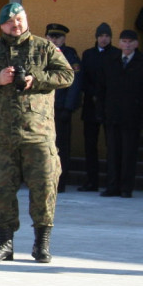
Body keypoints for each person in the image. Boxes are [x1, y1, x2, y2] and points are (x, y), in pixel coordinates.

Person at [0, 2, 73, 263]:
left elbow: (67, 75)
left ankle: (41, 243)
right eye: (10, 21)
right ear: (1, 26)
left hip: (38, 134)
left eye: (20, 19)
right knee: (1, 189)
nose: (16, 25)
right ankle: (4, 243)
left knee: (44, 188)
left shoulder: (44, 47)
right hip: (1, 136)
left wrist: (38, 78)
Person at [97, 29, 143, 199]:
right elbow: (102, 89)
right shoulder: (111, 61)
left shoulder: (140, 62)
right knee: (113, 153)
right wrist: (101, 111)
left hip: (133, 116)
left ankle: (126, 188)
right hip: (112, 115)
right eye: (124, 41)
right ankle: (112, 186)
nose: (127, 44)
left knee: (129, 154)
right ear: (119, 43)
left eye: (131, 41)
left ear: (136, 44)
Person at [45, 23, 81, 192]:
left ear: (64, 39)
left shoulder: (69, 55)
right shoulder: (41, 54)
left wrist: (68, 108)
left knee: (61, 147)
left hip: (60, 109)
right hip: (43, 109)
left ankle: (60, 180)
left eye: (57, 37)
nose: (54, 40)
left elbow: (75, 83)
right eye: (51, 37)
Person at [78, 23, 113, 191]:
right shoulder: (88, 54)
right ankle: (92, 181)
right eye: (101, 36)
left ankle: (113, 182)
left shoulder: (116, 54)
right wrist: (92, 93)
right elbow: (82, 78)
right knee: (90, 145)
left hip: (109, 105)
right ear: (96, 37)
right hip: (91, 105)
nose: (104, 39)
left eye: (107, 36)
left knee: (112, 145)